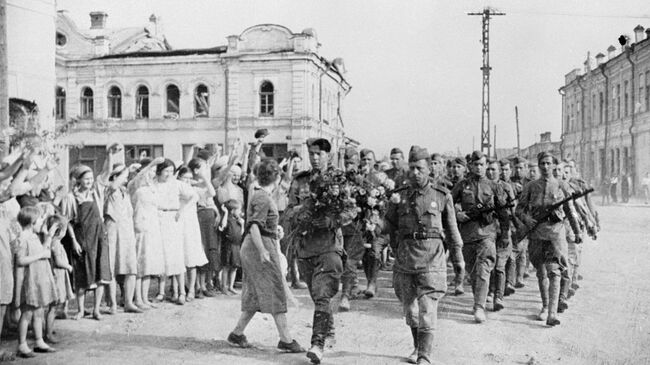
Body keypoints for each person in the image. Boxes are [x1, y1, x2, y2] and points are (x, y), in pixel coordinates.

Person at [383, 146, 464, 365]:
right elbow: (389, 224)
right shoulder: (399, 196)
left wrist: (458, 261)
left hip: (432, 256)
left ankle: (424, 356)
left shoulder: (441, 195)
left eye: (419, 168)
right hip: (406, 257)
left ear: (429, 169)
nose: (415, 173)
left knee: (428, 308)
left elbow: (453, 231)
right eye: (412, 168)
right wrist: (393, 246)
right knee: (410, 310)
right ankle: (418, 346)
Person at [287, 138, 356, 364]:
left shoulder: (338, 179)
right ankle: (328, 330)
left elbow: (352, 210)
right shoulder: (301, 181)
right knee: (317, 295)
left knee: (323, 294)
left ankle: (317, 343)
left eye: (319, 154)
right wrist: (300, 213)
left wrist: (331, 220)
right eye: (312, 153)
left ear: (328, 154)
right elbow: (289, 210)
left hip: (329, 246)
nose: (315, 158)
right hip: (306, 247)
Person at [227, 158, 305, 353]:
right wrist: (263, 250)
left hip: (259, 244)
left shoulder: (259, 194)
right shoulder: (262, 197)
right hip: (258, 247)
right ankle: (286, 339)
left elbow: (260, 224)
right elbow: (254, 225)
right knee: (276, 289)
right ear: (277, 177)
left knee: (255, 292)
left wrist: (274, 230)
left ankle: (237, 334)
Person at [515, 152, 581, 326]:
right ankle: (545, 306)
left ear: (553, 166)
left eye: (548, 163)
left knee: (555, 270)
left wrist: (577, 231)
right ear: (538, 165)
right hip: (536, 233)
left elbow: (570, 210)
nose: (545, 167)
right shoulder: (531, 186)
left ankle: (552, 313)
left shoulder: (562, 185)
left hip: (556, 233)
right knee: (541, 271)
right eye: (542, 163)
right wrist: (527, 220)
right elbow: (519, 210)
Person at [451, 151, 508, 323]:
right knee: (473, 271)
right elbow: (448, 203)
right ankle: (478, 300)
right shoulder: (462, 185)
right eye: (475, 164)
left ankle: (479, 307)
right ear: (470, 166)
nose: (479, 167)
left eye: (482, 164)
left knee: (483, 269)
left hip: (487, 234)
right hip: (467, 235)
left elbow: (503, 213)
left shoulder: (494, 186)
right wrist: (457, 213)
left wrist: (504, 235)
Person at [61, 165, 111, 320]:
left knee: (100, 272)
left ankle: (96, 310)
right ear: (79, 180)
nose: (89, 181)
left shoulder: (96, 193)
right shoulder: (71, 197)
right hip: (82, 237)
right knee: (82, 274)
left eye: (91, 178)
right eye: (86, 179)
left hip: (99, 237)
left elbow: (106, 174)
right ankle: (81, 310)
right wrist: (74, 241)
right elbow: (67, 222)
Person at [13, 206, 58, 357]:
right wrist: (41, 255)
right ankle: (22, 344)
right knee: (27, 314)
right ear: (32, 222)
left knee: (39, 311)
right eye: (40, 220)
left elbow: (43, 251)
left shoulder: (34, 236)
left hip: (38, 280)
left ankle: (39, 341)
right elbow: (20, 260)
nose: (41, 223)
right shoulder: (23, 238)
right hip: (29, 281)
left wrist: (49, 236)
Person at [151, 159, 197, 305]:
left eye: (172, 171)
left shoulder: (177, 184)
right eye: (166, 171)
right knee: (161, 255)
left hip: (173, 219)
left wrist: (181, 210)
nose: (169, 174)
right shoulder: (153, 184)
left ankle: (181, 292)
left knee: (176, 255)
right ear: (159, 171)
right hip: (158, 218)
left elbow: (194, 196)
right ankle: (162, 291)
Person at [105, 164, 141, 314]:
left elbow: (137, 180)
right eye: (123, 176)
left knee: (131, 267)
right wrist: (125, 170)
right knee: (112, 267)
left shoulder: (125, 191)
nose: (126, 179)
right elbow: (113, 184)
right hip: (112, 231)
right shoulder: (109, 189)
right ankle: (112, 303)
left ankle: (128, 302)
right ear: (114, 176)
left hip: (127, 232)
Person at [188, 157, 220, 299]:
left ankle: (206, 283)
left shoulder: (203, 184)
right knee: (201, 249)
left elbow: (212, 194)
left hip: (208, 216)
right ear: (196, 170)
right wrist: (204, 178)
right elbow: (211, 193)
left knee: (209, 249)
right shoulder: (192, 184)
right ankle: (198, 285)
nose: (206, 169)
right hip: (199, 216)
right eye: (203, 167)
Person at [486, 158, 515, 311]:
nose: (490, 172)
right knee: (488, 264)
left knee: (499, 266)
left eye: (494, 170)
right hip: (487, 231)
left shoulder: (506, 187)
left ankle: (499, 296)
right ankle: (491, 291)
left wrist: (507, 232)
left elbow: (511, 212)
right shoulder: (482, 187)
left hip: (503, 229)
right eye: (488, 169)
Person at [176, 165, 209, 301]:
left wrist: (202, 179)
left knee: (192, 257)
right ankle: (181, 291)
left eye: (190, 178)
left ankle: (191, 290)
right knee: (180, 258)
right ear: (179, 177)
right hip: (179, 222)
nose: (188, 181)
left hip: (191, 224)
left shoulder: (193, 189)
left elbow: (211, 192)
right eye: (185, 178)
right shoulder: (176, 186)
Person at [45, 215, 74, 343]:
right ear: (60, 231)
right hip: (57, 276)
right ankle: (48, 333)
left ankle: (49, 328)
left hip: (59, 276)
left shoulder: (55, 242)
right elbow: (58, 261)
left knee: (54, 307)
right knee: (53, 307)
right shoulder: (55, 244)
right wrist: (68, 266)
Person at [219, 199, 244, 295]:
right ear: (232, 210)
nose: (240, 212)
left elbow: (241, 234)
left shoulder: (239, 221)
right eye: (238, 210)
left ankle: (231, 286)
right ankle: (224, 286)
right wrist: (225, 213)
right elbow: (223, 226)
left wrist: (242, 225)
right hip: (228, 246)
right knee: (226, 266)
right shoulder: (227, 219)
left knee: (235, 267)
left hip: (236, 246)